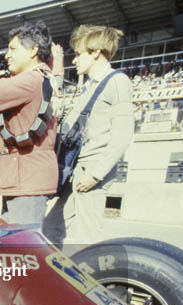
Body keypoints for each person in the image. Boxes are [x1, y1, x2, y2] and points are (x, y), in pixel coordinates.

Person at [42, 25, 134, 248]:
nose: (75, 60)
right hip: (76, 168)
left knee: (88, 238)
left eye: (79, 54)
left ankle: (92, 281)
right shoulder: (90, 86)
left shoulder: (117, 82)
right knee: (50, 229)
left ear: (95, 52)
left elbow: (123, 135)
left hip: (91, 171)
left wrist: (96, 174)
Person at [0, 21, 60, 225]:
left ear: (33, 50)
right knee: (11, 244)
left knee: (22, 248)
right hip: (21, 176)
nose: (8, 55)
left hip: (27, 178)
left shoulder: (31, 80)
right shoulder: (41, 77)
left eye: (13, 49)